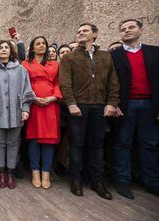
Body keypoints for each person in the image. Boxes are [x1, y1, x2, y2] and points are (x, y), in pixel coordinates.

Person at [59, 22, 120, 200]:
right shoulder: (69, 57)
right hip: (79, 106)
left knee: (97, 145)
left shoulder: (105, 57)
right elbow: (65, 83)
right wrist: (71, 103)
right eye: (78, 31)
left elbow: (113, 82)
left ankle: (97, 181)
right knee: (76, 144)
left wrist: (112, 103)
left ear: (95, 34)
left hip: (100, 106)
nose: (80, 33)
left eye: (85, 30)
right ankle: (75, 179)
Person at [111, 19, 159, 198]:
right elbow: (111, 82)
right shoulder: (115, 55)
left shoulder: (155, 52)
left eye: (131, 27)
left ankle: (152, 182)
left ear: (141, 30)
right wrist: (113, 103)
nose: (127, 31)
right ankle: (123, 181)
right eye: (123, 29)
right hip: (125, 105)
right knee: (122, 143)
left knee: (150, 144)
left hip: (150, 105)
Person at [0, 40, 35, 189]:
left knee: (13, 143)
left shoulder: (20, 70)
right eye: (1, 48)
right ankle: (1, 173)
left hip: (16, 113)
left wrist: (25, 108)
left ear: (11, 51)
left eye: (6, 47)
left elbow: (27, 89)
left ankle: (10, 172)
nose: (4, 50)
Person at [22, 36, 62, 189]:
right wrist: (33, 98)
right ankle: (35, 171)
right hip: (34, 104)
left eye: (43, 43)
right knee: (33, 139)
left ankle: (46, 172)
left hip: (51, 105)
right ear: (32, 48)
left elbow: (59, 82)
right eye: (37, 44)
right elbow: (24, 83)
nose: (41, 46)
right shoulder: (25, 64)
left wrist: (53, 97)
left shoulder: (55, 64)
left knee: (48, 141)